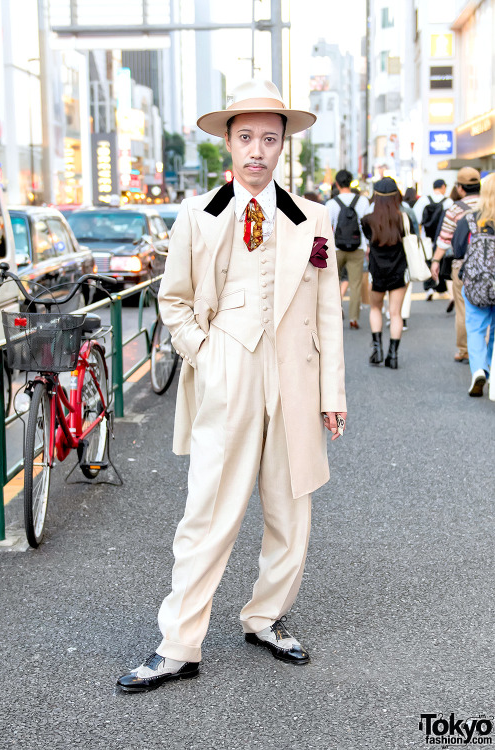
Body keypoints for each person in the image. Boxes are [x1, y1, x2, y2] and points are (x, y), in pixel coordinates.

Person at [117, 79, 347, 693]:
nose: (257, 150)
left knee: (291, 509)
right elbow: (174, 300)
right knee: (207, 513)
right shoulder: (198, 213)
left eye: (269, 139)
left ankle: (265, 617)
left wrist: (333, 394)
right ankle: (178, 644)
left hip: (296, 380)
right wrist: (205, 353)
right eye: (246, 137)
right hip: (229, 371)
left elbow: (327, 311)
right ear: (228, 141)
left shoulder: (312, 217)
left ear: (283, 146)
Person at [361, 176, 415, 369]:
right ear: (396, 196)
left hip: (376, 270)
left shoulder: (367, 220)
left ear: (376, 195)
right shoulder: (404, 218)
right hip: (399, 269)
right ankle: (393, 355)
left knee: (375, 308)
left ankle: (377, 351)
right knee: (395, 313)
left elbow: (368, 242)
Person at [450, 173, 495, 396]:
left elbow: (458, 251)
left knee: (476, 328)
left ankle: (478, 369)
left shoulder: (469, 219)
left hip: (477, 283)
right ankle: (493, 369)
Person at [431, 167, 482, 362]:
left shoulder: (455, 209)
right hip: (490, 265)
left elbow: (444, 240)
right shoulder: (490, 205)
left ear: (460, 188)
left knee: (464, 309)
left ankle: (464, 350)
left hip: (463, 265)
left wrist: (435, 261)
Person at [327, 169, 370, 329]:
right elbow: (366, 225)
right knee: (356, 284)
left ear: (337, 184)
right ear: (351, 182)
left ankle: (333, 315)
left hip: (336, 248)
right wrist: (367, 246)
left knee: (331, 283)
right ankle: (353, 319)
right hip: (357, 247)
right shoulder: (363, 201)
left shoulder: (332, 203)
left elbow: (327, 227)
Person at [413, 179, 453, 299]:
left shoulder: (424, 200)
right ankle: (441, 288)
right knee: (441, 260)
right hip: (442, 236)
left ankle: (429, 288)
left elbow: (417, 218)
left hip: (426, 236)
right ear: (443, 187)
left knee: (428, 261)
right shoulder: (448, 202)